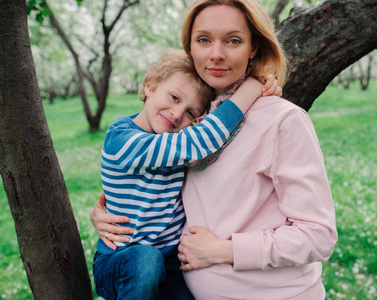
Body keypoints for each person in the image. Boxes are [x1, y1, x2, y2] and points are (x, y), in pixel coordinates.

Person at [91, 0, 338, 299]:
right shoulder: (189, 121)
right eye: (204, 40)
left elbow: (318, 236)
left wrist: (225, 251)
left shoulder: (282, 120)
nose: (216, 55)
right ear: (190, 48)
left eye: (233, 40)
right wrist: (107, 213)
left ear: (253, 48)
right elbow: (152, 177)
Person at [93, 48, 266, 300]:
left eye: (191, 113)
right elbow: (200, 140)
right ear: (150, 85)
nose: (176, 114)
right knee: (145, 259)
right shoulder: (120, 139)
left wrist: (267, 82)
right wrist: (250, 88)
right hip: (120, 260)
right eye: (174, 97)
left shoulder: (175, 144)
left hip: (169, 261)